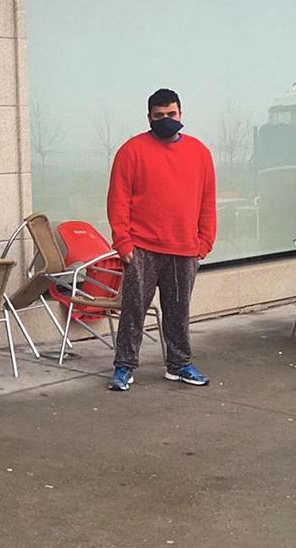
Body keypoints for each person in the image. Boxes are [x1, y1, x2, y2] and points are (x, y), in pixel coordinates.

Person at [104, 88, 216, 392]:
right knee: (133, 311)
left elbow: (207, 200)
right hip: (142, 249)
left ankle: (179, 365)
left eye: (171, 114)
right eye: (159, 116)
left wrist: (205, 241)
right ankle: (124, 367)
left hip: (184, 249)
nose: (166, 120)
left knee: (179, 312)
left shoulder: (200, 153)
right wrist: (123, 243)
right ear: (149, 117)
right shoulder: (131, 151)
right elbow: (118, 200)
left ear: (181, 114)